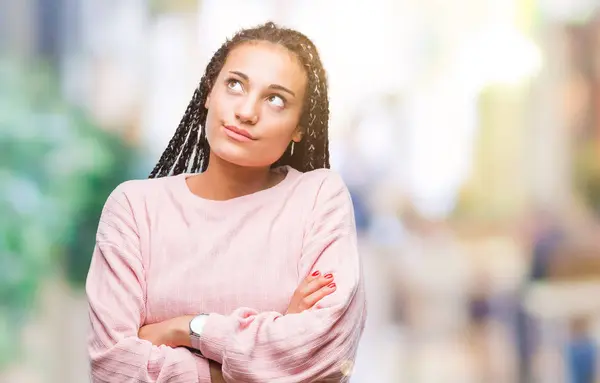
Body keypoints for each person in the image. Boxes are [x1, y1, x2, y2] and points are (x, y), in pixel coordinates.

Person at [85, 21, 367, 382]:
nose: (247, 111)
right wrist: (272, 344)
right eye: (235, 84)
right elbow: (113, 369)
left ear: (300, 126)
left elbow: (325, 354)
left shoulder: (318, 198)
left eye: (275, 99)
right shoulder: (134, 209)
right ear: (208, 93)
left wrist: (187, 329)